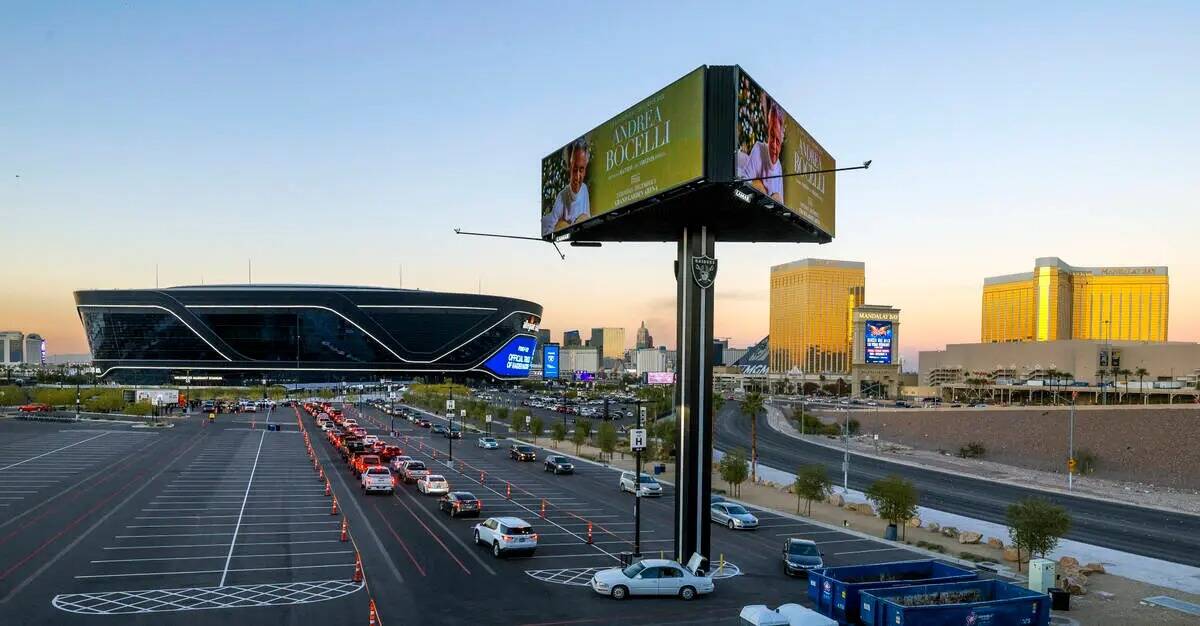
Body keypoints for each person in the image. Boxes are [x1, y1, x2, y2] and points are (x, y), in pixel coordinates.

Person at [738, 100, 785, 203]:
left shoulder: (779, 167)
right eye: (772, 137)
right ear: (768, 133)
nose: (774, 146)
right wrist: (757, 184)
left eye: (778, 141)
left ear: (782, 141)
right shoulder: (759, 149)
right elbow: (741, 185)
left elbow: (781, 204)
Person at [541, 139, 591, 236]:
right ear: (568, 168)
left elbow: (587, 219)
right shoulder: (562, 197)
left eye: (581, 169)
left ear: (585, 169)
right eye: (574, 169)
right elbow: (548, 231)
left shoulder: (584, 189)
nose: (577, 176)